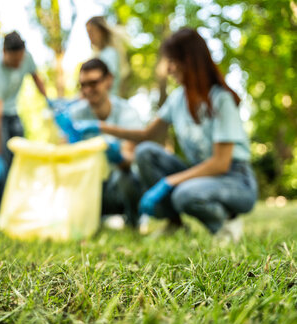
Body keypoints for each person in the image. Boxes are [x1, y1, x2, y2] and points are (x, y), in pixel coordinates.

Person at [74, 28, 257, 241]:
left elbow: (220, 163)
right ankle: (175, 224)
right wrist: (101, 127)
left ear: (189, 61)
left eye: (172, 61)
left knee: (184, 194)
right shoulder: (178, 98)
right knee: (145, 153)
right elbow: (146, 135)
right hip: (201, 173)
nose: (169, 69)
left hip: (235, 179)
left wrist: (169, 182)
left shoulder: (221, 100)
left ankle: (227, 223)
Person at [0, 31, 49, 213]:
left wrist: (49, 100)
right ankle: (0, 210)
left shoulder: (25, 57)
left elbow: (36, 78)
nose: (18, 64)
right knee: (4, 159)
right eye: (14, 61)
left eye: (20, 60)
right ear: (4, 53)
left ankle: (18, 205)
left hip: (11, 109)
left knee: (20, 154)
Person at [62, 59, 143, 228]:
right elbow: (62, 155)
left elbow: (130, 157)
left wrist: (117, 156)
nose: (87, 90)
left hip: (117, 186)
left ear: (109, 80)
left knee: (126, 178)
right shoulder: (75, 115)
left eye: (93, 83)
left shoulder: (127, 113)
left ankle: (132, 219)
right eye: (83, 85)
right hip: (87, 185)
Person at [86, 16, 130, 96]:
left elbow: (105, 84)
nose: (89, 37)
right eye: (88, 33)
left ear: (101, 32)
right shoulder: (99, 54)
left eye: (91, 32)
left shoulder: (110, 54)